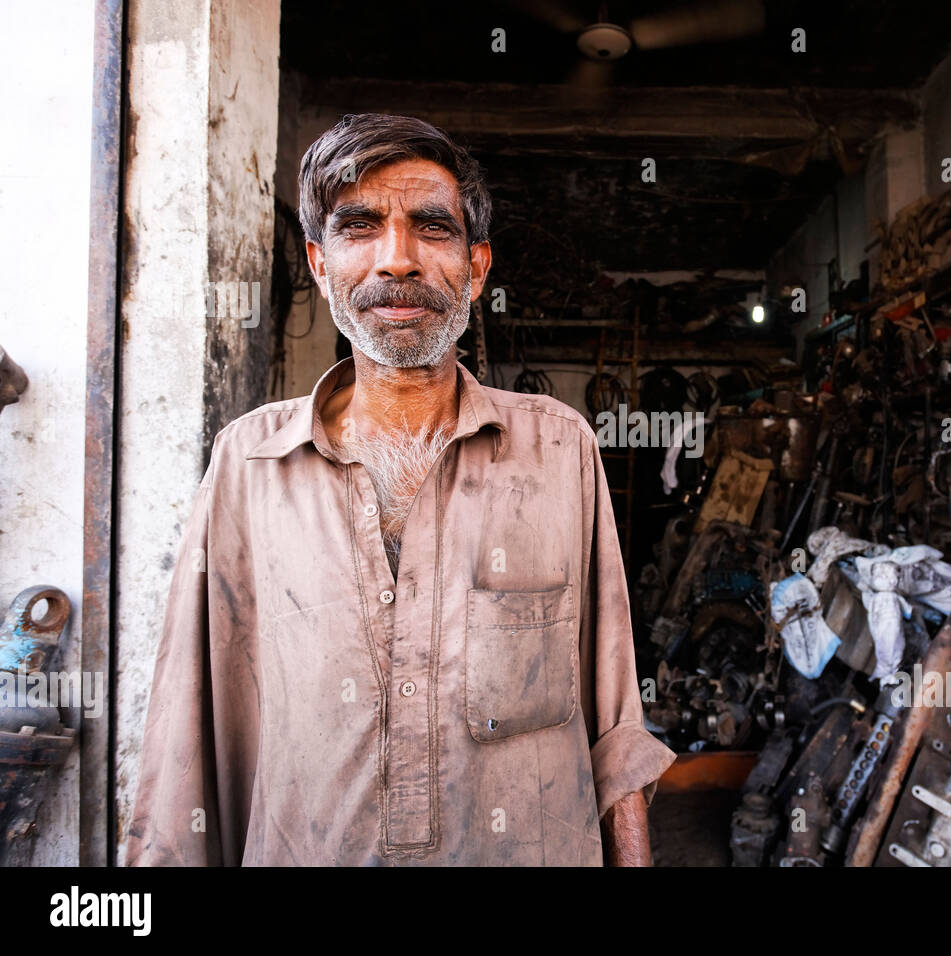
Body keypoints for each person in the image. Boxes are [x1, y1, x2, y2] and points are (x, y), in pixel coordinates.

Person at [125, 113, 676, 866]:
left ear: (477, 268)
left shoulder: (558, 448)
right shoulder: (249, 462)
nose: (398, 260)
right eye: (360, 227)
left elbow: (614, 712)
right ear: (319, 265)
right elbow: (185, 730)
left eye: (431, 228)